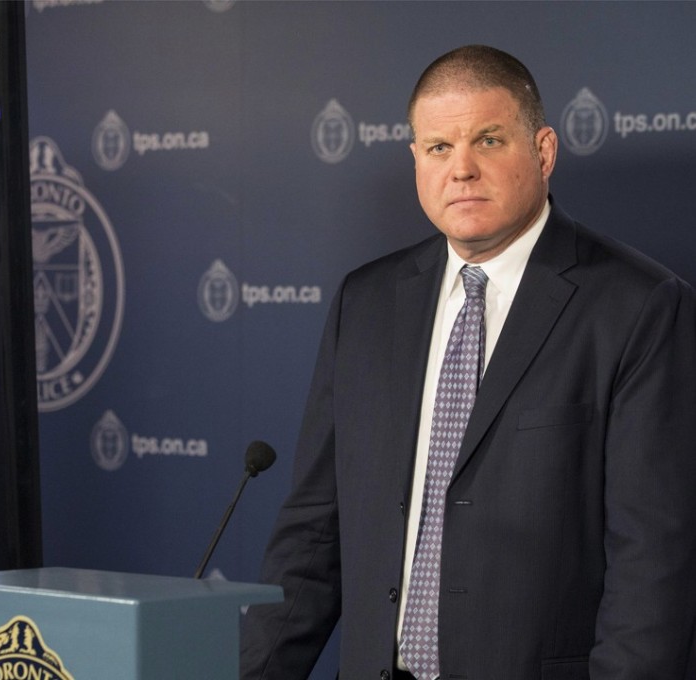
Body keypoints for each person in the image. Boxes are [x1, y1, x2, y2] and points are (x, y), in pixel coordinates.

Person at [240, 45, 696, 679]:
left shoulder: (639, 306)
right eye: (437, 148)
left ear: (543, 152)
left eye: (487, 140)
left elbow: (653, 567)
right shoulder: (365, 302)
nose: (461, 170)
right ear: (415, 161)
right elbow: (314, 533)